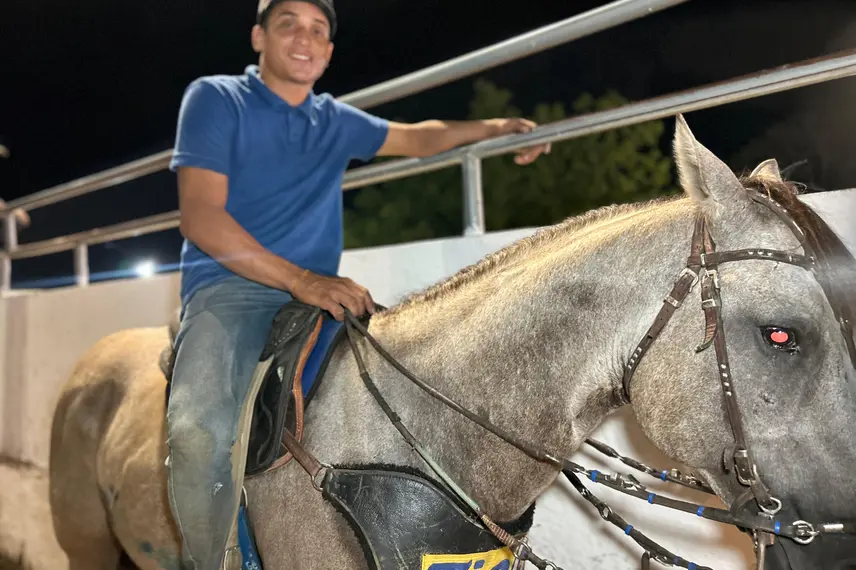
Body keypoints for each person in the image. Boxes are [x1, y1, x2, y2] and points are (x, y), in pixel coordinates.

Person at [165, 0, 550, 568]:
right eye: (287, 23)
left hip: (321, 290)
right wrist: (300, 279)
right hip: (232, 288)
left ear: (328, 52)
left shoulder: (334, 120)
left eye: (318, 30)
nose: (304, 36)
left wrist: (499, 128)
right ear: (258, 37)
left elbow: (419, 138)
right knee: (196, 431)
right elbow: (201, 217)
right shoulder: (216, 99)